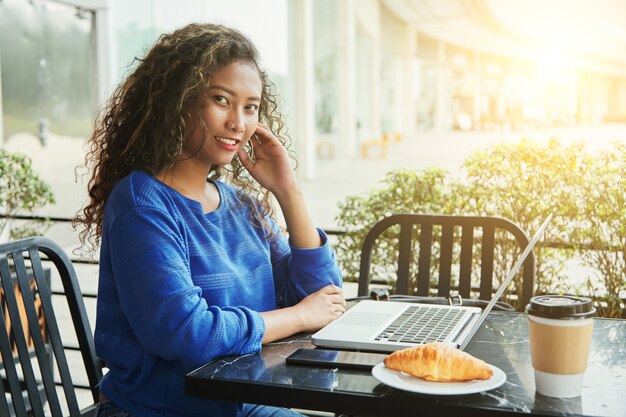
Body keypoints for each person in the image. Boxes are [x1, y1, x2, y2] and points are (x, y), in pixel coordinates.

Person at [76, 23, 346, 417]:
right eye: (222, 100)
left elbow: (324, 296)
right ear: (176, 102)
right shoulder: (141, 204)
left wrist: (287, 191)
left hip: (246, 404)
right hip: (156, 411)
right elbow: (188, 333)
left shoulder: (241, 205)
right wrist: (300, 316)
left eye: (250, 107)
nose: (238, 122)